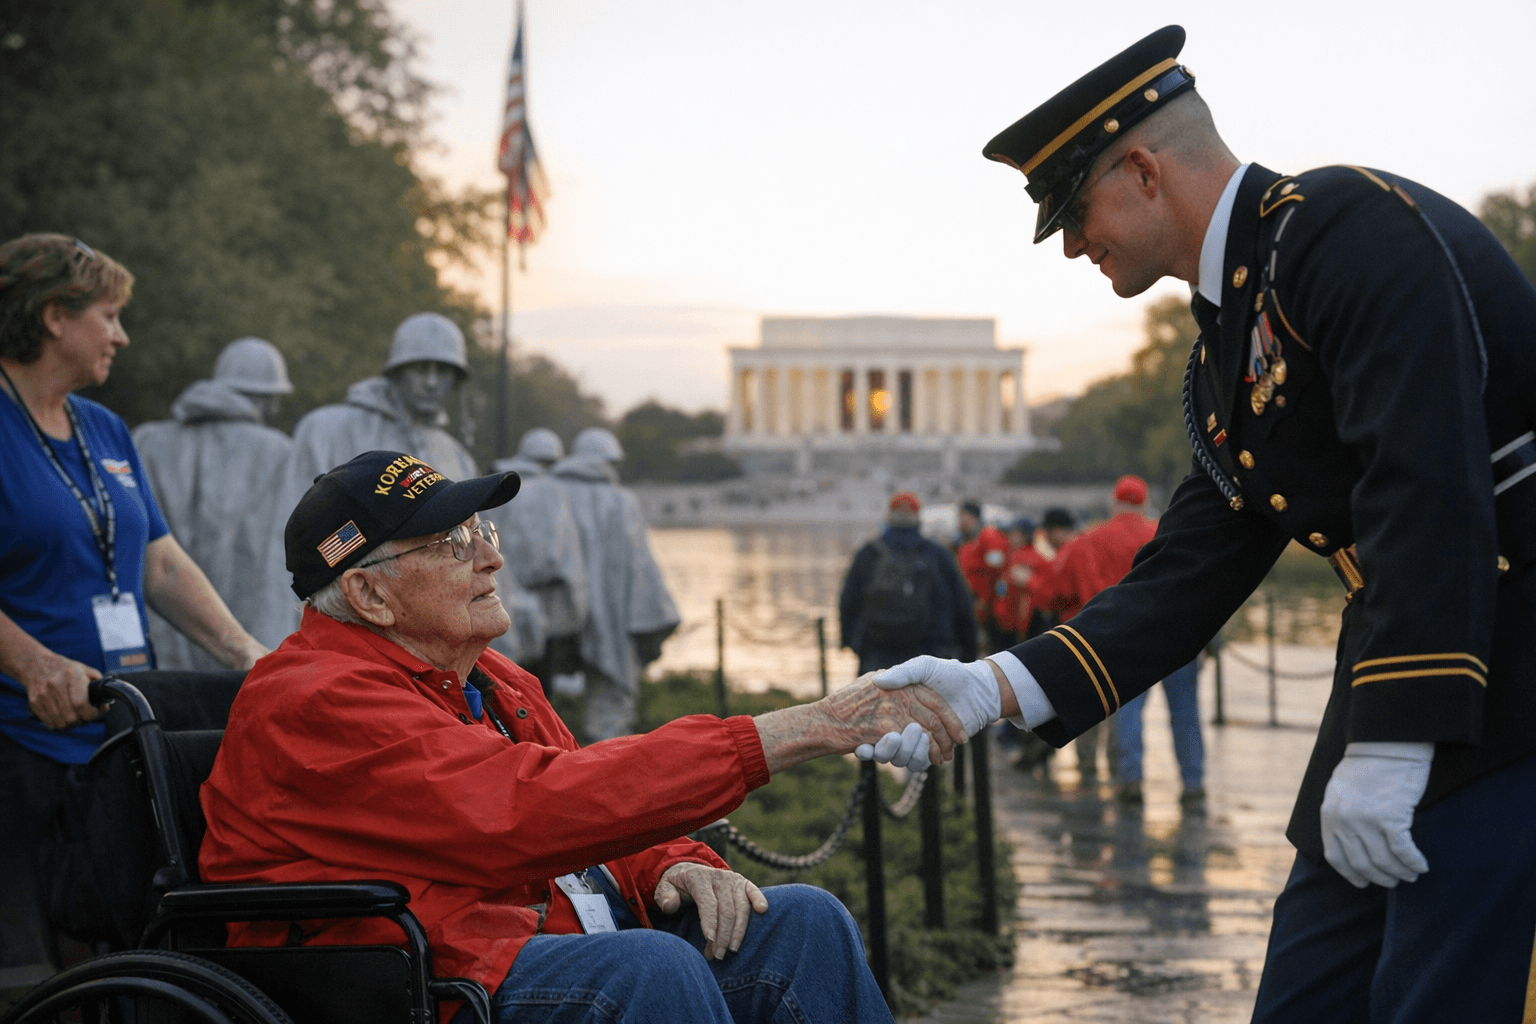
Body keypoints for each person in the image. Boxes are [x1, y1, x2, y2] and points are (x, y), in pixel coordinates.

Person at [866, 25, 1536, 1021]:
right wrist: (990, 687)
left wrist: (1398, 735)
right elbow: (1188, 573)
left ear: (1143, 170)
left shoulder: (1341, 224)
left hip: (1497, 665)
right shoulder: (1226, 348)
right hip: (1403, 668)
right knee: (1305, 994)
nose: (1076, 245)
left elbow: (1426, 477)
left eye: (1076, 213)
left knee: (1440, 998)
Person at [199, 450, 966, 1024]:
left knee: (805, 925)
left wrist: (677, 859)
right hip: (411, 978)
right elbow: (525, 810)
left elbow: (589, 799)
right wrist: (804, 728)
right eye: (449, 544)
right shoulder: (311, 699)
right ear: (367, 593)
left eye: (478, 530)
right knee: (651, 972)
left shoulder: (492, 677)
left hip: (530, 937)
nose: (491, 557)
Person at [0, 234, 267, 980]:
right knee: (30, 975)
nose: (122, 334)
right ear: (55, 315)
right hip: (21, 739)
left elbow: (158, 559)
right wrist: (34, 663)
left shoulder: (104, 428)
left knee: (125, 953)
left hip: (116, 728)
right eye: (109, 315)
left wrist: (248, 654)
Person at [266, 312, 544, 655]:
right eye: (420, 369)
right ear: (396, 371)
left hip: (429, 643)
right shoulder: (327, 430)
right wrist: (278, 643)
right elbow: (291, 545)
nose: (431, 382)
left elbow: (475, 544)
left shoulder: (453, 453)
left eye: (442, 371)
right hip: (344, 632)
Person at [1029, 476, 1202, 805]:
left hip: (1124, 638)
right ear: (1145, 502)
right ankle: (1193, 782)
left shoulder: (1091, 540)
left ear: (1114, 503)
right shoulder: (1165, 532)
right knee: (1185, 711)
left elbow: (1063, 591)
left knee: (1128, 712)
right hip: (1177, 634)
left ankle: (1131, 779)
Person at [132, 337, 296, 659]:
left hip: (166, 632)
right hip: (251, 639)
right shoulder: (278, 451)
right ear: (264, 398)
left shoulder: (150, 441)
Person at [551, 427, 680, 740]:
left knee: (537, 691)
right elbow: (641, 565)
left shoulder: (552, 492)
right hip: (612, 610)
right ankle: (604, 761)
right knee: (611, 693)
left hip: (558, 611)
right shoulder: (622, 501)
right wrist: (655, 614)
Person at [486, 428, 587, 687]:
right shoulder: (553, 490)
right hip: (545, 595)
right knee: (538, 676)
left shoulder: (498, 482)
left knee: (502, 669)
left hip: (500, 586)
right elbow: (560, 550)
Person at [837, 491, 977, 675]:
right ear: (918, 516)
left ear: (889, 515)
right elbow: (963, 606)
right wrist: (967, 656)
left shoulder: (869, 553)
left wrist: (853, 643)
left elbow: (848, 602)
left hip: (876, 656)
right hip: (930, 658)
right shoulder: (937, 554)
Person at [954, 499, 1009, 653]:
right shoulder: (968, 540)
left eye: (961, 516)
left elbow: (996, 572)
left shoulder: (989, 537)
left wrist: (984, 600)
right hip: (975, 603)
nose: (958, 521)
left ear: (970, 517)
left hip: (988, 606)